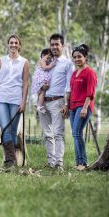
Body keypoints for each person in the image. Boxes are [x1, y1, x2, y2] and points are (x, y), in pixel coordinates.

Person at [0, 34, 30, 168]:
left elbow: (25, 84)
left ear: (19, 45)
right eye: (11, 43)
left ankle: (10, 161)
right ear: (8, 45)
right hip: (1, 98)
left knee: (13, 131)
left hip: (16, 99)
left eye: (16, 43)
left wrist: (23, 102)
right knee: (5, 128)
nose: (13, 45)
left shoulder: (24, 62)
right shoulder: (1, 61)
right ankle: (11, 160)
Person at [38, 33, 74, 169]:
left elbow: (69, 85)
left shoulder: (67, 63)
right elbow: (39, 78)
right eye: (52, 44)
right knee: (47, 134)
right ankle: (50, 162)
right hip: (43, 101)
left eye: (57, 44)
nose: (54, 47)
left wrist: (66, 103)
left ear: (62, 46)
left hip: (57, 101)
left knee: (58, 133)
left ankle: (59, 163)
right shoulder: (46, 61)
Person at [68, 44, 97, 171]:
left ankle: (83, 163)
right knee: (76, 134)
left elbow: (90, 93)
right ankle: (78, 162)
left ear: (85, 57)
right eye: (74, 57)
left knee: (77, 133)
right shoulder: (74, 73)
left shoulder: (89, 72)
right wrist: (67, 106)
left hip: (83, 106)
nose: (76, 59)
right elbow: (72, 91)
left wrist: (85, 108)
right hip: (73, 107)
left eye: (79, 56)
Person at [31, 48, 56, 113]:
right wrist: (52, 65)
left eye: (50, 59)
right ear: (42, 55)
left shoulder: (44, 61)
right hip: (40, 78)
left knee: (41, 92)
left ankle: (38, 103)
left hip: (41, 78)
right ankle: (40, 105)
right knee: (42, 91)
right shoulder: (42, 61)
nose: (48, 60)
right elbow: (45, 68)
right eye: (47, 58)